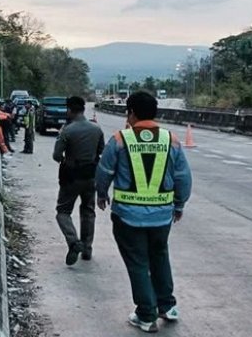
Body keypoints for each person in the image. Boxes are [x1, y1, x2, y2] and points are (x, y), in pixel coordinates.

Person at [95, 91, 192, 333]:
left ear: (132, 113)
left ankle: (146, 314)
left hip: (128, 216)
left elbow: (104, 171)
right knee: (159, 255)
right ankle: (167, 305)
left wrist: (101, 193)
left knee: (137, 262)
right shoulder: (172, 140)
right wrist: (179, 204)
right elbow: (183, 177)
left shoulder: (120, 139)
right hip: (161, 217)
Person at [52, 96, 105, 265]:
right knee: (88, 211)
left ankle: (74, 242)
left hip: (71, 177)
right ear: (83, 109)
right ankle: (87, 249)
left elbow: (56, 156)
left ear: (69, 110)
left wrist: (66, 159)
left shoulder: (67, 130)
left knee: (63, 211)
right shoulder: (96, 129)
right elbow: (101, 151)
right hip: (91, 176)